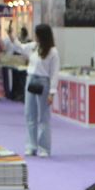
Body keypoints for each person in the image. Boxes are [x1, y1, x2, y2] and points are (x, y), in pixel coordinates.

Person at [24, 24, 59, 156]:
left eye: (37, 34)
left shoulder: (53, 52)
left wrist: (52, 92)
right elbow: (20, 47)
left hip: (44, 82)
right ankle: (31, 146)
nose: (35, 36)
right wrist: (11, 36)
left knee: (43, 117)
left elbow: (54, 73)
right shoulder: (34, 47)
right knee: (30, 114)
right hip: (31, 80)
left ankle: (44, 148)